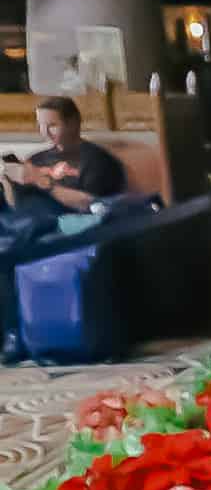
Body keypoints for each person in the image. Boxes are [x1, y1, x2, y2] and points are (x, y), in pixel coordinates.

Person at [0, 98, 126, 361]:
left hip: (67, 225)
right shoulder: (36, 158)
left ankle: (13, 334)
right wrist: (8, 180)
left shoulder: (96, 161)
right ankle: (12, 333)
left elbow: (92, 205)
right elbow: (17, 206)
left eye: (52, 125)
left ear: (74, 122)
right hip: (28, 224)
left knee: (10, 249)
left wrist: (43, 182)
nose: (45, 132)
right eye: (41, 125)